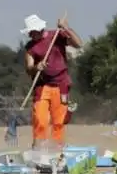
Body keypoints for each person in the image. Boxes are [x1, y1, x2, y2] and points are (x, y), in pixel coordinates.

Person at [21, 14, 84, 149]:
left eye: (32, 32)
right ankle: (38, 149)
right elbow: (29, 68)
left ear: (39, 29)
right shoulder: (30, 47)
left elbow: (78, 44)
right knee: (40, 119)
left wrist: (66, 28)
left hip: (61, 85)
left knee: (59, 121)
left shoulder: (57, 35)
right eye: (29, 33)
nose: (30, 35)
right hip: (42, 86)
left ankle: (57, 150)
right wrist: (36, 67)